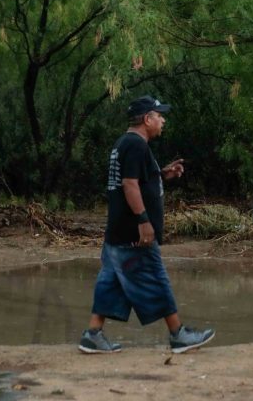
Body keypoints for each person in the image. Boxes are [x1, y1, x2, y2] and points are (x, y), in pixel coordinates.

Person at [78, 95, 215, 354]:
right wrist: (144, 220)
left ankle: (93, 334)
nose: (163, 119)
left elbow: (136, 179)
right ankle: (178, 335)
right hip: (133, 232)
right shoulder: (136, 145)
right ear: (146, 119)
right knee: (155, 277)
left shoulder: (125, 144)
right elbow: (129, 184)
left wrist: (161, 174)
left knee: (111, 281)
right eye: (159, 115)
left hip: (118, 230)